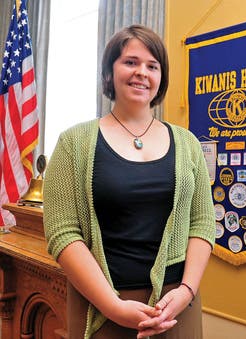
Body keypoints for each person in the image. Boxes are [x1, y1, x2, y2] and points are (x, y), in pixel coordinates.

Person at [43, 24, 215, 339]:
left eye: (153, 66)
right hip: (102, 307)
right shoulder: (73, 143)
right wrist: (113, 306)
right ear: (110, 72)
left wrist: (187, 291)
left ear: (161, 77)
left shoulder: (188, 143)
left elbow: (202, 224)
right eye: (131, 62)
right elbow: (62, 233)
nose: (142, 73)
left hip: (175, 307)